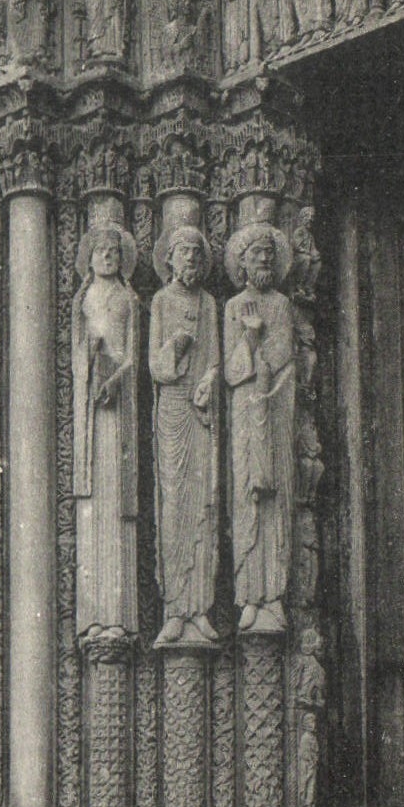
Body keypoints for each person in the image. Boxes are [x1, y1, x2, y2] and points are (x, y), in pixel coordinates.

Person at [149, 228, 220, 647]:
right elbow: (156, 369)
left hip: (201, 411)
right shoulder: (160, 302)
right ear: (170, 259)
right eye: (183, 252)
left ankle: (201, 608)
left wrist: (210, 378)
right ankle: (175, 609)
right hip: (172, 409)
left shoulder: (209, 304)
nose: (191, 258)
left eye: (197, 252)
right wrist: (174, 347)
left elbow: (214, 360)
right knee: (174, 506)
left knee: (204, 507)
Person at [224, 223, 296, 633]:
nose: (265, 259)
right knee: (247, 498)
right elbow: (233, 372)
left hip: (276, 405)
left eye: (270, 253)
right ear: (242, 262)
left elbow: (284, 351)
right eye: (257, 254)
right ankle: (249, 596)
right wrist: (250, 341)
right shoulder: (234, 307)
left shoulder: (282, 305)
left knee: (276, 501)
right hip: (244, 411)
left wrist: (264, 362)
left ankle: (274, 595)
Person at [72, 225, 140, 644]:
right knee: (93, 507)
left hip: (118, 409)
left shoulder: (129, 300)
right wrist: (88, 362)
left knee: (115, 504)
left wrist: (115, 378)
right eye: (100, 250)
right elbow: (76, 354)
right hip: (90, 416)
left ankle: (118, 615)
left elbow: (134, 355)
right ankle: (93, 616)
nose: (108, 255)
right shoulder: (83, 301)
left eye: (114, 251)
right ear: (90, 257)